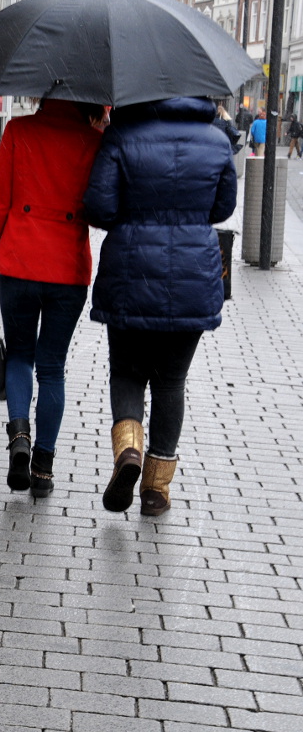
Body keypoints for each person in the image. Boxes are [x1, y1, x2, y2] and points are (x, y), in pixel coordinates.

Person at [83, 97, 237, 517]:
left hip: (131, 270)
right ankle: (155, 490)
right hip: (192, 275)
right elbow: (223, 208)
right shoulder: (216, 141)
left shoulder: (122, 135)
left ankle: (128, 451)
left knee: (127, 371)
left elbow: (99, 207)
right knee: (171, 382)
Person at [0, 99, 105, 498]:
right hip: (67, 270)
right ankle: (43, 468)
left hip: (20, 264)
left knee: (19, 356)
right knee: (52, 368)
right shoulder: (93, 141)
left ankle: (19, 436)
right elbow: (101, 210)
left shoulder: (19, 131)